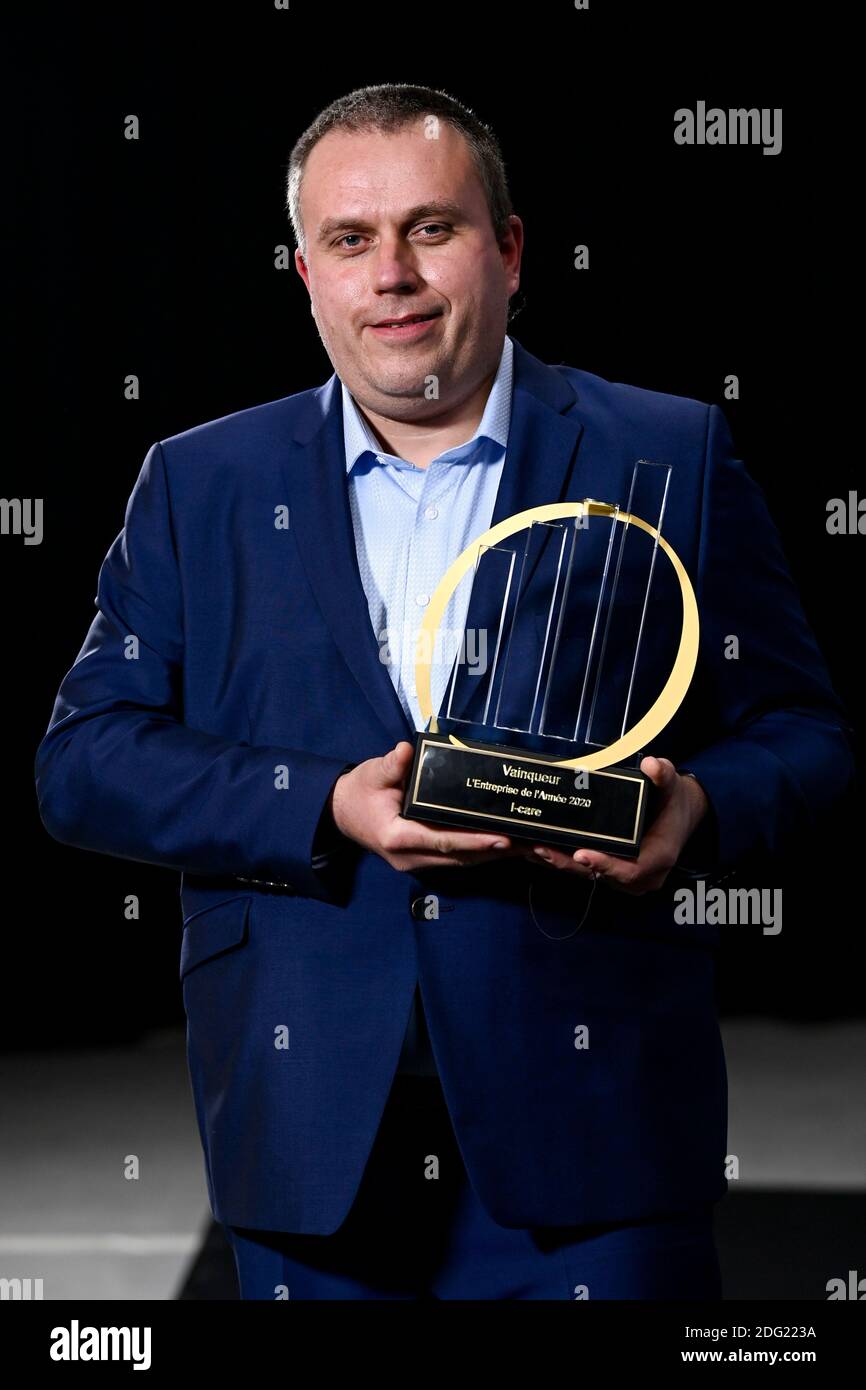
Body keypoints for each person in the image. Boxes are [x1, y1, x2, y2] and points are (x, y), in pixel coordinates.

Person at [34, 83, 854, 1300]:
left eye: (433, 228)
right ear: (305, 272)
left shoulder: (662, 451)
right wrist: (323, 804)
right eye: (350, 241)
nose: (393, 275)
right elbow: (84, 759)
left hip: (597, 1135)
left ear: (509, 250)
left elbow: (806, 735)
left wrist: (698, 816)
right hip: (305, 1132)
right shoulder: (201, 479)